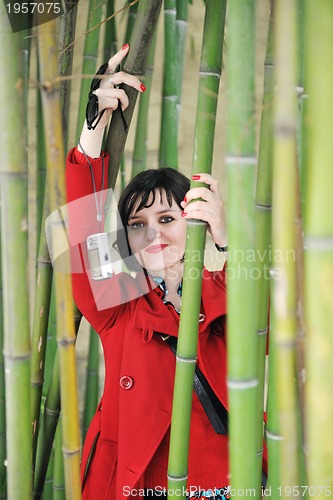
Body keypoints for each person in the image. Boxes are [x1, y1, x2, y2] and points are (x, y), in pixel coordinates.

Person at [66, 44, 229, 500]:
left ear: (195, 220)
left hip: (222, 479)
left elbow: (287, 319)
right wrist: (93, 129)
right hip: (134, 480)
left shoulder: (227, 292)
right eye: (136, 225)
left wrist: (228, 240)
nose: (153, 233)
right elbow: (82, 228)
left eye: (167, 219)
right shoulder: (120, 301)